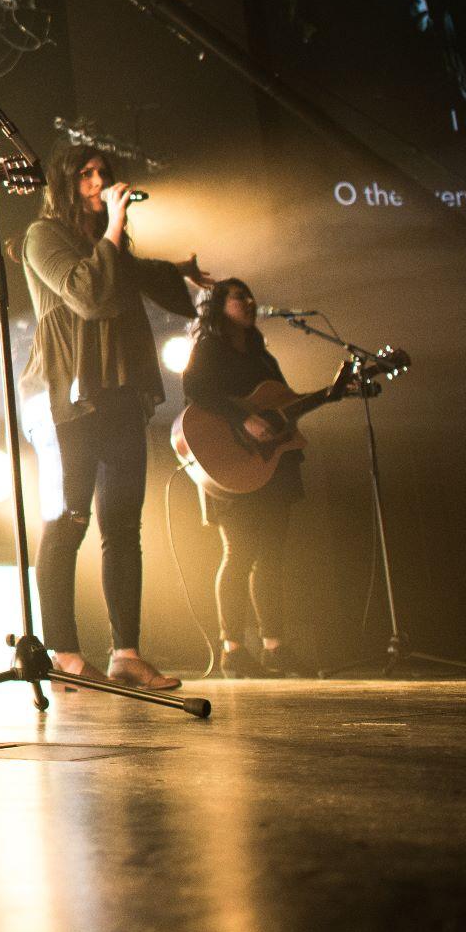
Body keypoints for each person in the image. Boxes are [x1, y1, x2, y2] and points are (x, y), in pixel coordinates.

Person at [20, 143, 207, 691]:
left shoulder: (112, 246)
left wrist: (185, 273)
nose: (99, 181)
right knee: (68, 521)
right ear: (64, 183)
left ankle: (126, 653)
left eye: (104, 172)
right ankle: (64, 653)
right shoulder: (42, 236)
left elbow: (148, 278)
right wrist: (116, 226)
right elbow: (89, 294)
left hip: (121, 395)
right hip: (68, 398)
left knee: (123, 528)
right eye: (86, 174)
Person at [179, 278, 308, 677]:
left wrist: (336, 390)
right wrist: (242, 418)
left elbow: (282, 400)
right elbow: (195, 389)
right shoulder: (209, 348)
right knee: (239, 553)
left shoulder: (261, 355)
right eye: (239, 296)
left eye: (251, 295)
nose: (250, 301)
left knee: (271, 556)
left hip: (270, 466)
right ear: (219, 304)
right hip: (230, 463)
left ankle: (274, 646)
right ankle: (233, 649)